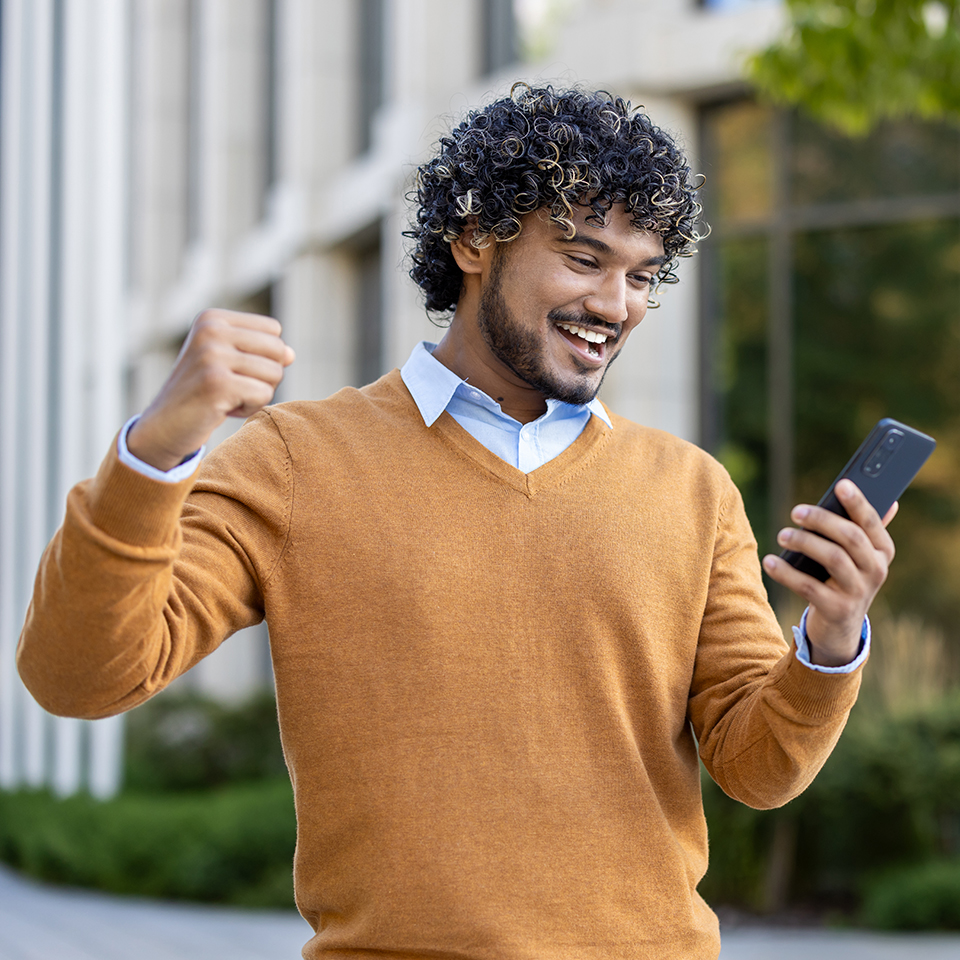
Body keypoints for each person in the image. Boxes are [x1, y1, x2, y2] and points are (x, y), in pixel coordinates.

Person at [18, 85, 894, 960]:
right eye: (583, 258)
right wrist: (154, 452)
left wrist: (831, 638)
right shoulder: (295, 461)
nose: (616, 304)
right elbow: (79, 677)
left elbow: (758, 769)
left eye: (641, 277)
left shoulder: (691, 490)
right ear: (475, 240)